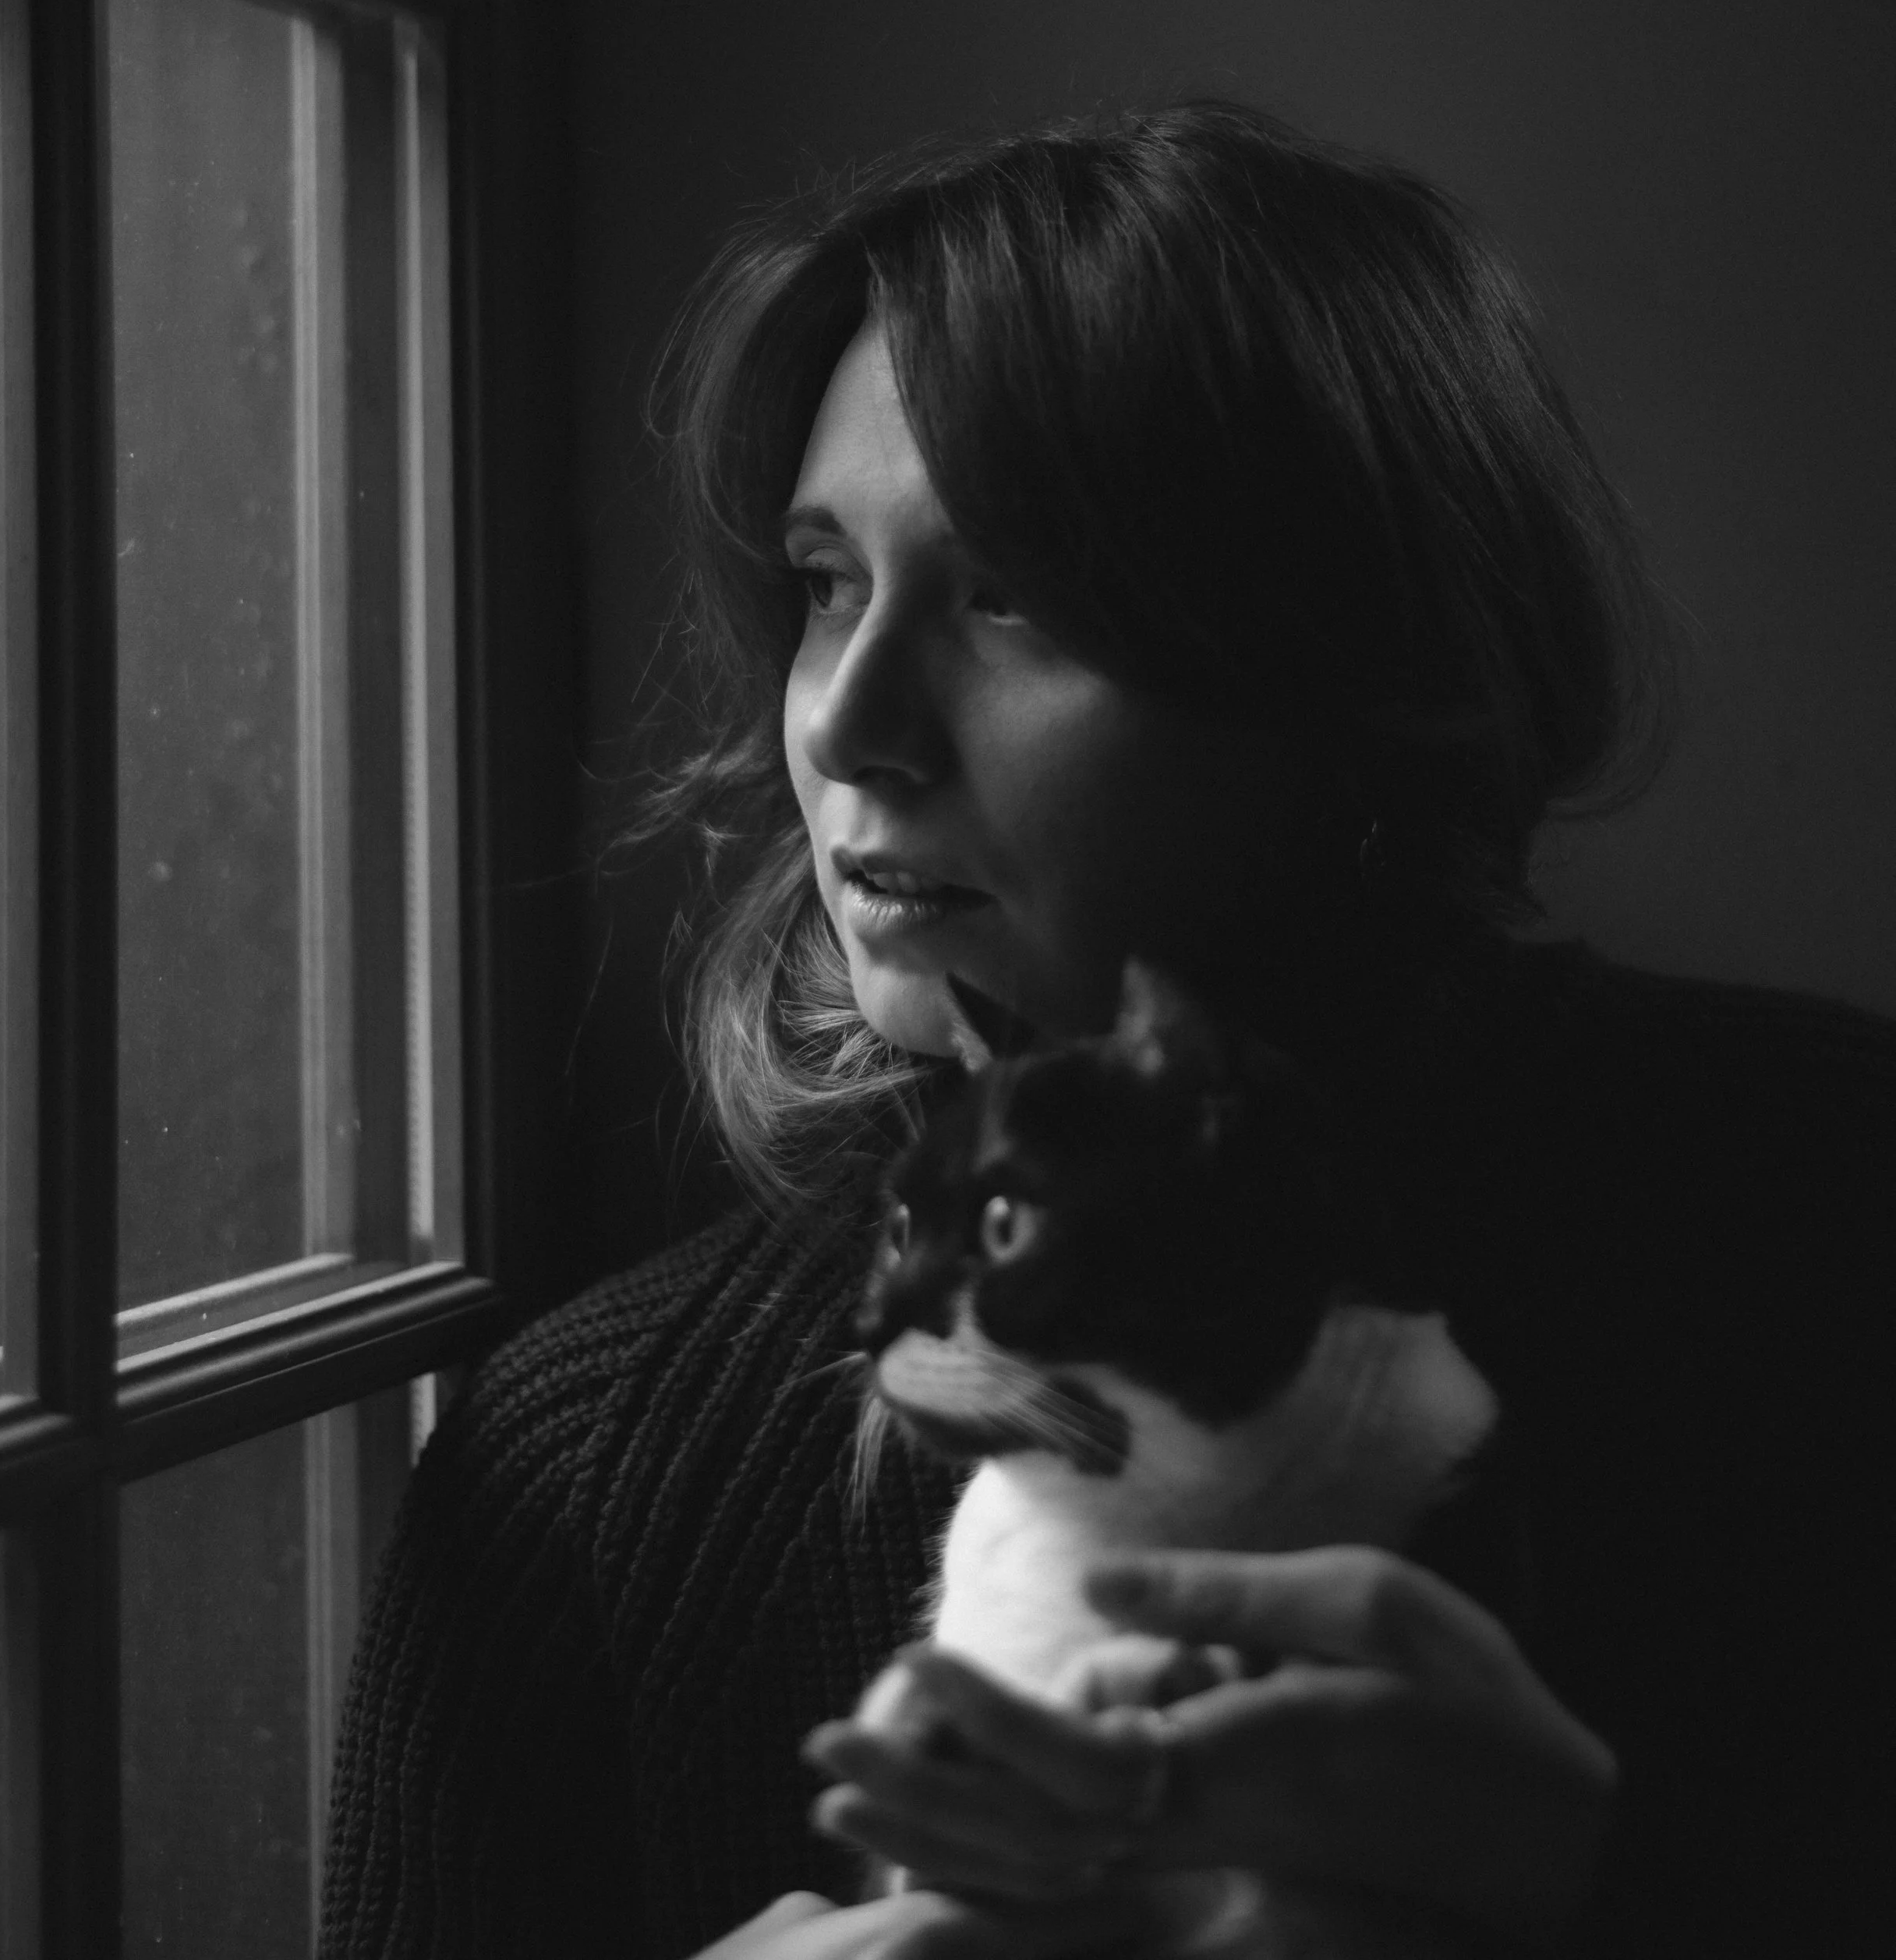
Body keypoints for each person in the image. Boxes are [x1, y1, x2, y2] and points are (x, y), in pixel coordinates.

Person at [320, 100, 1896, 1960]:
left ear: (1358, 666)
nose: (844, 725)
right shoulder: (582, 1475)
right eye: (826, 586)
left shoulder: (1825, 1228)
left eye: (1011, 597)